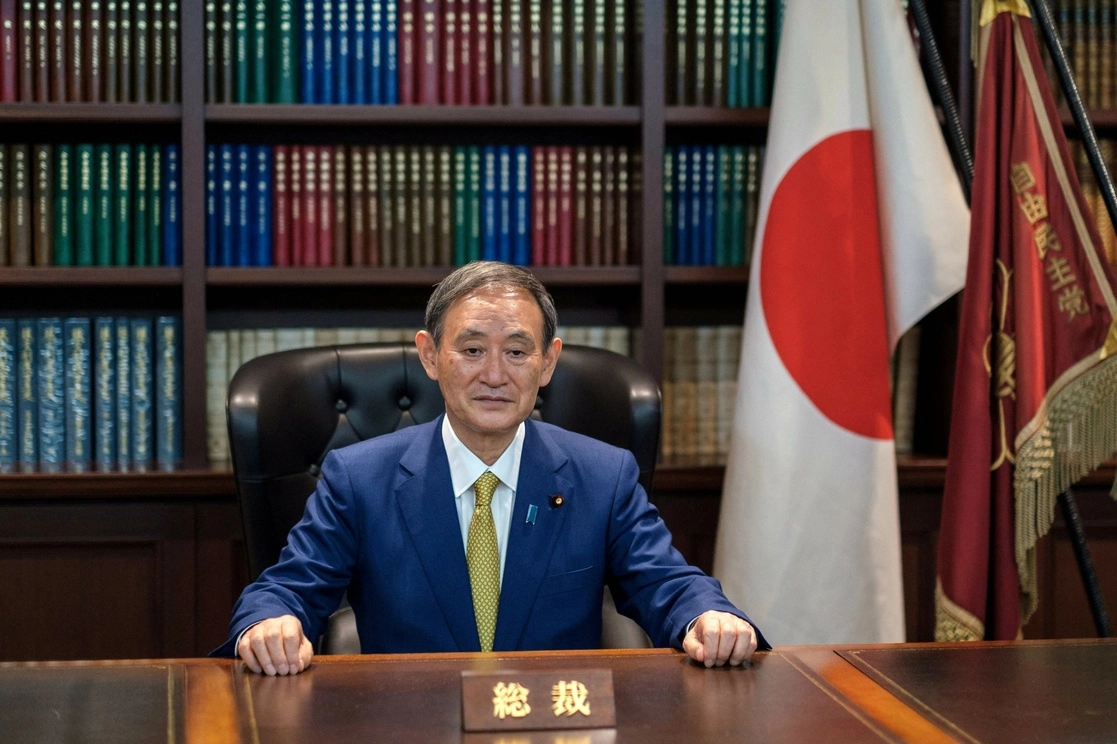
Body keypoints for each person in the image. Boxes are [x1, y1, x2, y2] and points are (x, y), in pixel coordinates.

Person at [214, 261, 769, 675]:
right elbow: (286, 589)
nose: (495, 376)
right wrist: (269, 624)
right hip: (410, 727)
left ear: (548, 362)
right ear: (430, 356)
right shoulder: (359, 478)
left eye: (518, 353)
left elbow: (668, 583)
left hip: (556, 728)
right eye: (473, 350)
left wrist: (707, 618)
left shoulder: (603, 476)